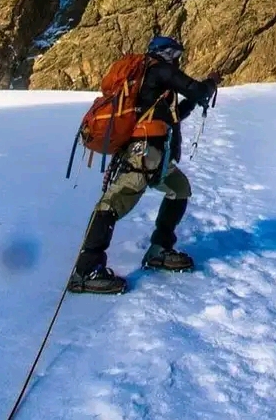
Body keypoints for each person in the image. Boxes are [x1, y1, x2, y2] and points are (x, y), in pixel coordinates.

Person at [68, 36, 218, 295]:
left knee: (179, 188)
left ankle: (160, 248)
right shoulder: (159, 70)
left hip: (152, 151)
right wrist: (211, 83)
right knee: (113, 203)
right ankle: (86, 270)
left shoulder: (149, 79)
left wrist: (197, 97)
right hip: (146, 151)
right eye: (177, 54)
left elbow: (173, 115)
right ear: (168, 53)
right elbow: (195, 89)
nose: (179, 59)